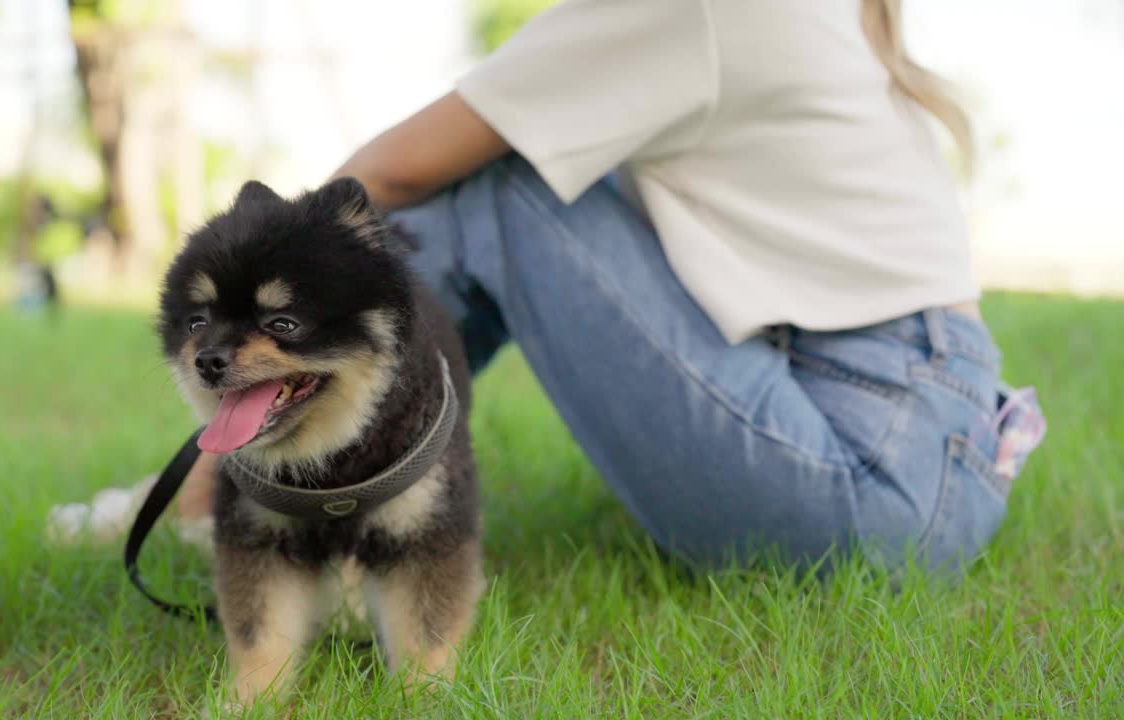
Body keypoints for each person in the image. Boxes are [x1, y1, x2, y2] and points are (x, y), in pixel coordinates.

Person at [72, 0, 1046, 571]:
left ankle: (231, 493)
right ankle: (292, 478)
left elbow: (393, 177)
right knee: (494, 190)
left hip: (861, 482)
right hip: (934, 460)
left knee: (488, 187)